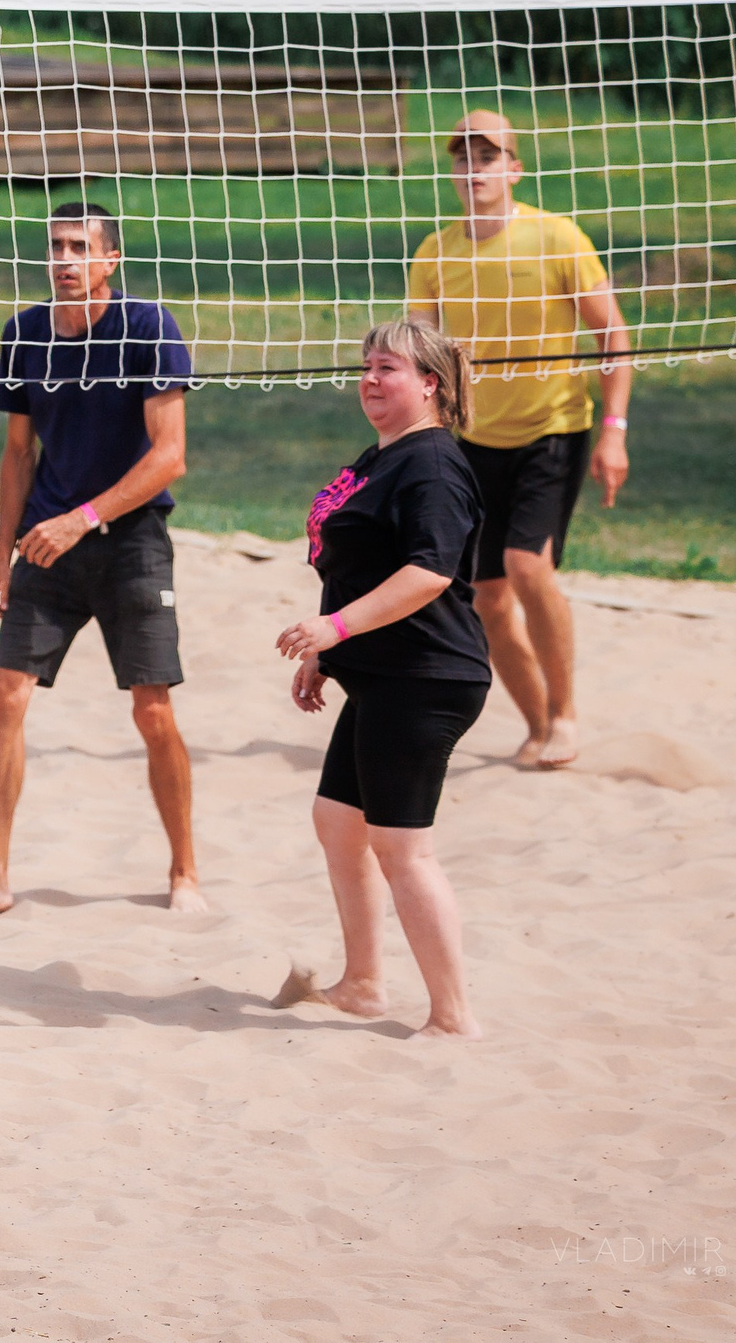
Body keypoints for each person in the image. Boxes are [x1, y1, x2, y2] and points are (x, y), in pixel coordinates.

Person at [0, 200, 205, 917]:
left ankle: (185, 871)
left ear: (110, 260)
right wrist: (1, 556)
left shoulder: (148, 326)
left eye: (80, 247)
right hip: (46, 540)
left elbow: (171, 457)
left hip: (129, 539)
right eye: (56, 247)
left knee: (152, 709)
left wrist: (84, 517)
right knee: (5, 691)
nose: (65, 259)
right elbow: (17, 454)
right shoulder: (27, 331)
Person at [273, 317, 492, 1040]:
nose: (370, 378)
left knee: (402, 847)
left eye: (388, 367)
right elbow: (361, 563)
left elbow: (428, 572)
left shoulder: (431, 464)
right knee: (339, 822)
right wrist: (328, 653)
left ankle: (453, 1016)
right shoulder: (382, 456)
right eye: (366, 366)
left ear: (430, 382)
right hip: (382, 670)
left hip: (425, 675)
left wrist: (334, 629)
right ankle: (365, 983)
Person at [409, 108, 631, 770]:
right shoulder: (435, 252)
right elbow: (421, 357)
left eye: (488, 156)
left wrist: (613, 431)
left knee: (529, 568)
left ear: (514, 168)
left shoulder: (558, 237)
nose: (473, 168)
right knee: (487, 596)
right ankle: (538, 723)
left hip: (552, 429)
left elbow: (613, 337)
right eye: (463, 158)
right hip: (473, 440)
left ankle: (565, 714)